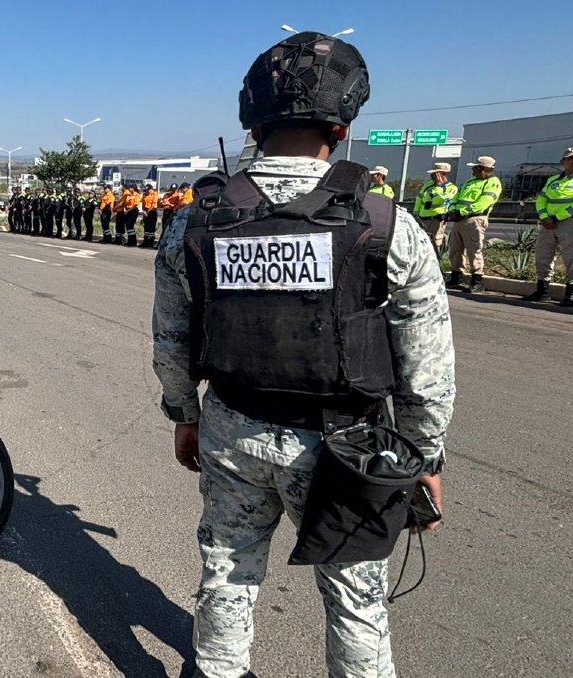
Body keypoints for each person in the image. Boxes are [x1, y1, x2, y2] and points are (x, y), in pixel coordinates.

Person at [152, 31, 454, 678]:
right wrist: (424, 458)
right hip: (346, 450)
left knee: (226, 578)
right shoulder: (386, 224)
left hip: (230, 429)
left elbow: (172, 339)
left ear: (253, 125)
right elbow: (427, 369)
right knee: (357, 607)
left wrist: (185, 415)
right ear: (342, 130)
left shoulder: (192, 221)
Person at [446, 156, 502, 293]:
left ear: (483, 168)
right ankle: (456, 276)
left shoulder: (492, 182)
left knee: (474, 250)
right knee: (455, 249)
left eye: (475, 167)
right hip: (459, 220)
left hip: (475, 219)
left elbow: (484, 202)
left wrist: (461, 211)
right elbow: (456, 197)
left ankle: (477, 280)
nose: (472, 169)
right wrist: (453, 210)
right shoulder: (470, 181)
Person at [525, 148, 573, 305]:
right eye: (569, 158)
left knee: (571, 258)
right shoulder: (553, 180)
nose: (572, 161)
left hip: (568, 222)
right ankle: (543, 290)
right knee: (543, 256)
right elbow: (541, 200)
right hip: (548, 223)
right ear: (563, 162)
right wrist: (545, 217)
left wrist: (556, 217)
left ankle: (570, 294)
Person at [413, 162, 458, 252]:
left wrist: (438, 185)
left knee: (434, 241)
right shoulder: (428, 185)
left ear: (443, 174)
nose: (432, 176)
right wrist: (416, 212)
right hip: (423, 217)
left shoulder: (451, 188)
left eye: (435, 173)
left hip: (437, 219)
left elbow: (439, 200)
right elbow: (420, 198)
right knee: (419, 240)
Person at [141, 184, 160, 248]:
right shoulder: (144, 194)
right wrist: (143, 211)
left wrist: (148, 211)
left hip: (152, 211)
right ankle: (145, 241)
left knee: (151, 227)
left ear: (151, 189)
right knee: (146, 227)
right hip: (146, 211)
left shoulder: (155, 194)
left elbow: (154, 204)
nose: (147, 191)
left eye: (148, 190)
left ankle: (150, 242)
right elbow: (143, 203)